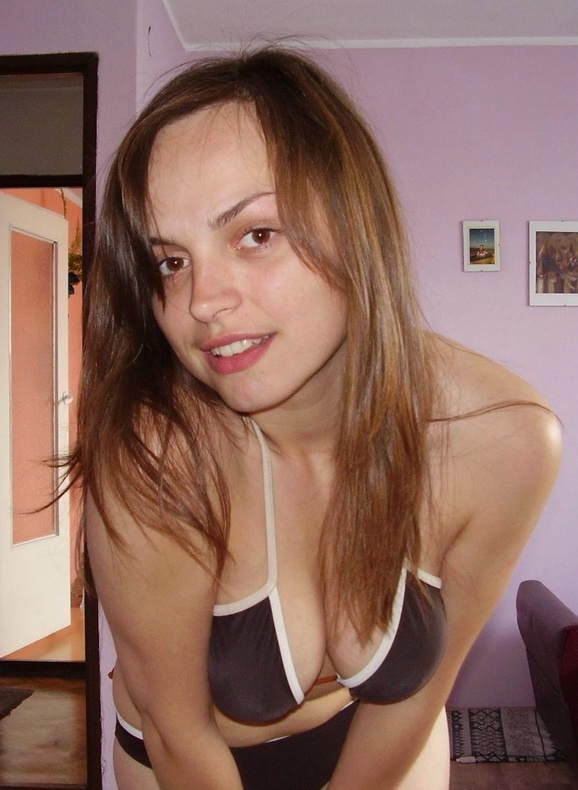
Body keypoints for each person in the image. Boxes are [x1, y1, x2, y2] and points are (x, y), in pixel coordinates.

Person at [73, 45, 561, 790]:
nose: (202, 301)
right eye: (170, 261)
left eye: (255, 235)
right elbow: (177, 732)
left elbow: (425, 686)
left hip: (384, 741)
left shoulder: (503, 438)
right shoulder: (158, 456)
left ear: (354, 224)